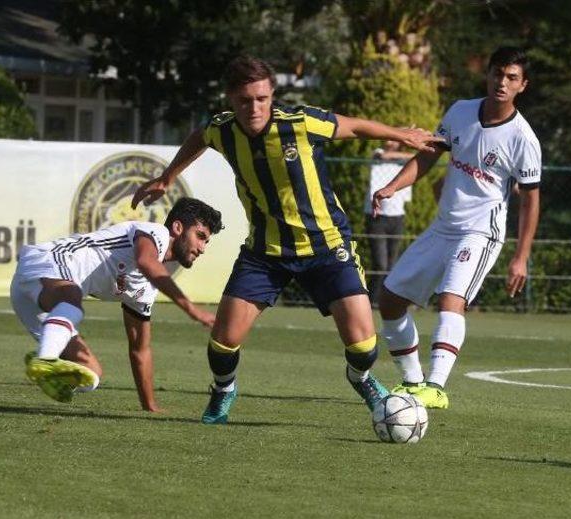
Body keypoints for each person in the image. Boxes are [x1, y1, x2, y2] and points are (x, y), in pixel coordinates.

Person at [131, 54, 443, 424]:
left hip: (326, 246)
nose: (254, 108)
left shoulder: (299, 122)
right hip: (266, 251)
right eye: (245, 100)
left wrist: (401, 135)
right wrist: (168, 177)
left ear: (272, 95)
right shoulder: (223, 129)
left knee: (364, 345)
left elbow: (355, 127)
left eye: (262, 99)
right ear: (231, 99)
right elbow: (199, 136)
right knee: (222, 343)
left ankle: (360, 378)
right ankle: (223, 390)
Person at [373, 46, 541, 409]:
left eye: (512, 77)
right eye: (498, 73)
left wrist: (521, 257)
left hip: (481, 233)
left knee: (451, 299)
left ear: (522, 86)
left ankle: (436, 386)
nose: (502, 82)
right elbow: (429, 156)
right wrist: (392, 187)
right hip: (443, 226)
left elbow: (530, 199)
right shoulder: (460, 111)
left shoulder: (523, 139)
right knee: (389, 300)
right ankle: (414, 381)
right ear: (489, 74)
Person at [10, 197, 223, 411]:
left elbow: (140, 349)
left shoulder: (146, 289)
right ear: (178, 227)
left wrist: (150, 406)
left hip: (29, 298)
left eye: (206, 242)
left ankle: (45, 359)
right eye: (200, 236)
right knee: (72, 299)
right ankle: (46, 359)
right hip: (48, 261)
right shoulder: (156, 232)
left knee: (90, 374)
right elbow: (146, 262)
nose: (202, 248)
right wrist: (192, 309)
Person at [364, 140, 413, 303]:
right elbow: (384, 155)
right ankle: (371, 300)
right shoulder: (378, 154)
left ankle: (384, 300)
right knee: (381, 265)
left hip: (397, 218)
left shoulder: (402, 164)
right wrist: (402, 134)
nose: (391, 141)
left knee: (392, 266)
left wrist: (404, 138)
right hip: (377, 218)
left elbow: (415, 157)